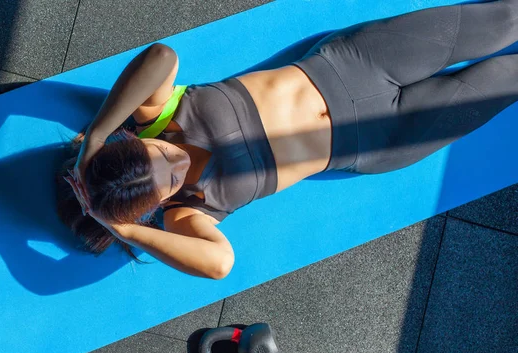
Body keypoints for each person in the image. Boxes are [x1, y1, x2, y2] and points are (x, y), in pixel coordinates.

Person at [59, 0, 518, 279]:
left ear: (132, 140)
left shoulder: (157, 118)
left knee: (505, 19)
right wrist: (121, 228)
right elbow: (220, 265)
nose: (176, 161)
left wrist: (96, 134)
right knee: (509, 77)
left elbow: (161, 57)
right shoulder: (187, 213)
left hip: (354, 63)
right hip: (380, 139)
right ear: (155, 205)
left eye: (158, 154)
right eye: (170, 179)